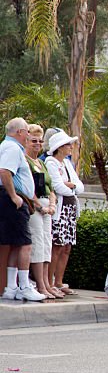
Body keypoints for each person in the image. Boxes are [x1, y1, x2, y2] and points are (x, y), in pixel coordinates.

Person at [0, 117, 46, 302]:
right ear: (19, 132)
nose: (28, 135)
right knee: (26, 243)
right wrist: (14, 196)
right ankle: (25, 286)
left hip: (12, 200)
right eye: (27, 131)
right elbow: (4, 171)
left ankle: (12, 286)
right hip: (12, 201)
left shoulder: (8, 146)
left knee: (15, 243)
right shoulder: (12, 148)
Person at [44, 130, 84, 297]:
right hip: (59, 211)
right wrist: (70, 186)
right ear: (59, 147)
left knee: (67, 247)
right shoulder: (51, 162)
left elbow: (80, 186)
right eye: (68, 144)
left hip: (70, 209)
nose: (71, 147)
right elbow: (58, 187)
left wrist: (71, 185)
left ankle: (59, 282)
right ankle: (50, 282)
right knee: (57, 246)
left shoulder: (67, 163)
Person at [25, 124, 61, 299]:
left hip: (48, 205)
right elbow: (27, 187)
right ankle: (40, 284)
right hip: (35, 206)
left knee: (47, 243)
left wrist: (52, 205)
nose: (37, 144)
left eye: (40, 141)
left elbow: (51, 187)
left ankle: (47, 282)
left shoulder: (41, 162)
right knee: (38, 244)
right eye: (34, 141)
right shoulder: (25, 160)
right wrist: (40, 206)